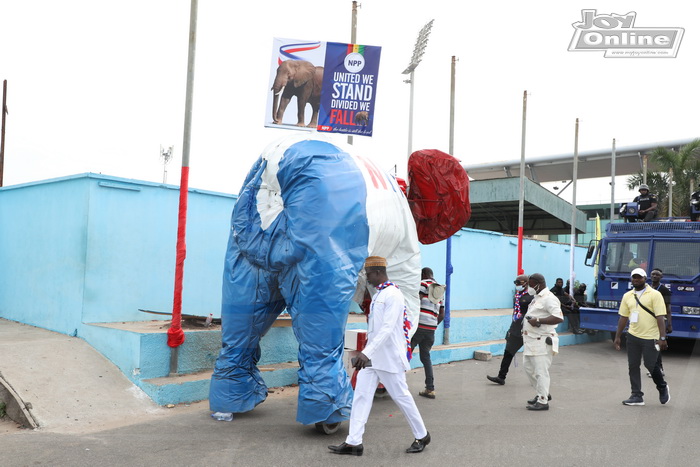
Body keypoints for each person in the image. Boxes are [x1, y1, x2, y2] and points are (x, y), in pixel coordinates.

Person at [328, 256, 430, 456]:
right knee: (361, 397)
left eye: (368, 275)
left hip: (389, 358)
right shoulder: (379, 295)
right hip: (374, 358)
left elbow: (387, 328)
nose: (367, 279)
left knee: (402, 397)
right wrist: (368, 353)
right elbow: (375, 330)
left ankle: (422, 435)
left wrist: (365, 353)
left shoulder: (392, 295)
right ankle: (354, 442)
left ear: (377, 272)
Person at [614, 268, 670, 406]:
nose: (636, 280)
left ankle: (662, 387)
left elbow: (660, 317)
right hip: (633, 336)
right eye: (634, 277)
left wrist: (662, 338)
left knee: (650, 365)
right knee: (633, 365)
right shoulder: (627, 295)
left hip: (650, 337)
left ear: (645, 279)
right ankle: (636, 395)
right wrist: (618, 336)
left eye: (639, 277)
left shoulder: (655, 294)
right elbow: (623, 317)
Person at [522, 273, 563, 411]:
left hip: (542, 340)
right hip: (531, 340)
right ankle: (542, 392)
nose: (529, 287)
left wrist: (538, 321)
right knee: (528, 369)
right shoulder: (536, 298)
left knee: (541, 372)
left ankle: (543, 401)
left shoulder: (549, 298)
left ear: (539, 283)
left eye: (531, 284)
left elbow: (558, 317)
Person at [487, 273, 532, 385]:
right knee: (508, 353)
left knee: (532, 358)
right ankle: (501, 377)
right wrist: (511, 330)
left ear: (526, 283)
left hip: (527, 331)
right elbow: (515, 315)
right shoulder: (518, 296)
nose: (516, 285)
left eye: (519, 282)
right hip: (515, 330)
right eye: (515, 282)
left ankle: (539, 383)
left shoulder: (531, 297)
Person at [410, 267, 445, 399]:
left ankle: (397, 386)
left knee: (405, 353)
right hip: (430, 329)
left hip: (418, 327)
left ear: (423, 274)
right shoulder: (439, 290)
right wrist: (433, 324)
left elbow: (415, 304)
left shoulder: (423, 284)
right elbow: (441, 314)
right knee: (426, 358)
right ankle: (430, 388)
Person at [647, 268, 672, 378]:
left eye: (657, 275)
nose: (655, 276)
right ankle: (654, 367)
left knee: (656, 345)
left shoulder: (664, 290)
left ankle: (659, 368)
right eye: (653, 274)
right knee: (649, 345)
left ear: (661, 277)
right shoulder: (647, 288)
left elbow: (668, 308)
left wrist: (669, 324)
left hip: (660, 321)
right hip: (648, 321)